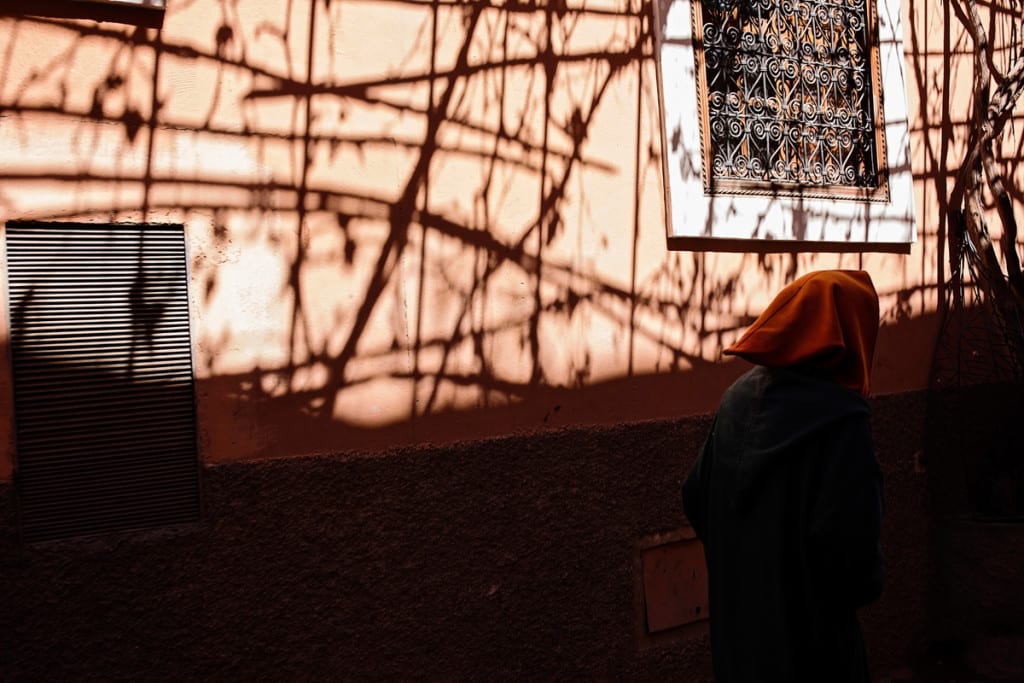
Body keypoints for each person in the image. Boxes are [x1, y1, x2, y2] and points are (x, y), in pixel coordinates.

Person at [682, 270, 885, 683]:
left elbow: (694, 495)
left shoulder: (736, 398)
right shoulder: (842, 422)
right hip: (813, 653)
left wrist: (747, 562)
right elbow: (854, 566)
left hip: (740, 640)